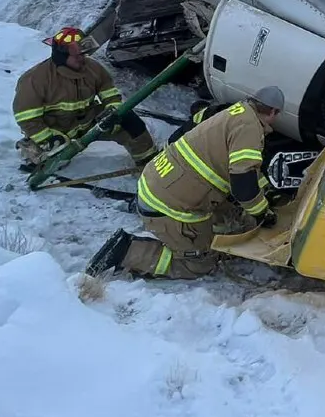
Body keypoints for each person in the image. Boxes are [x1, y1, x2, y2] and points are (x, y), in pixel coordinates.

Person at [86, 86, 286, 280]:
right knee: (199, 264)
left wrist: (264, 189)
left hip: (159, 183)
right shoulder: (250, 129)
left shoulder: (235, 112)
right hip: (167, 205)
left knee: (232, 219)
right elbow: (243, 184)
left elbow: (240, 167)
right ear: (274, 112)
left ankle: (179, 232)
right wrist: (262, 212)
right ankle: (128, 251)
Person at [12, 26, 156, 169]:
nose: (82, 58)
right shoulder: (35, 79)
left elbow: (110, 95)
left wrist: (113, 112)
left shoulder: (94, 69)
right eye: (77, 55)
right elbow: (27, 118)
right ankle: (31, 149)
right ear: (61, 57)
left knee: (129, 121)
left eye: (83, 53)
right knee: (48, 162)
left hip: (88, 122)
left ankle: (148, 163)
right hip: (55, 131)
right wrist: (48, 138)